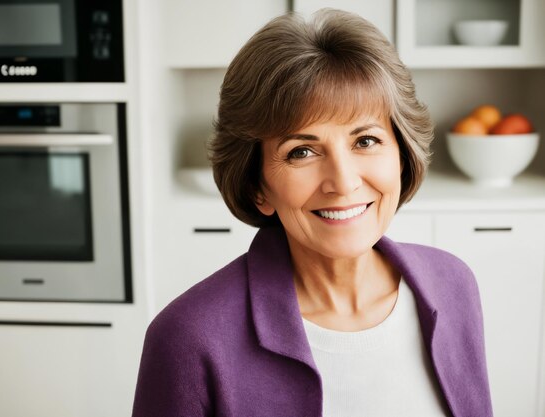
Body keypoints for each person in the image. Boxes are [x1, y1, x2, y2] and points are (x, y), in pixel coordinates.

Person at [132, 8, 492, 417]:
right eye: (301, 151)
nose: (343, 181)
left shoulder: (453, 286)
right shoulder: (186, 340)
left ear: (402, 155)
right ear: (257, 187)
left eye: (366, 141)